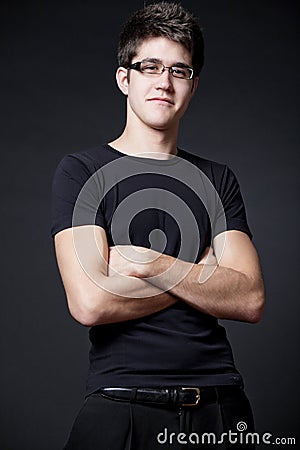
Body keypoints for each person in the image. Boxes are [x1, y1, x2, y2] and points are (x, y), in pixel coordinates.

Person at [51, 2, 265, 449]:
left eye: (179, 70)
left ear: (193, 85)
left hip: (221, 405)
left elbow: (249, 298)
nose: (164, 82)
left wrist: (150, 263)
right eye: (150, 67)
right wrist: (200, 275)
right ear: (124, 78)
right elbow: (90, 303)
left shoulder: (217, 179)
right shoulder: (82, 171)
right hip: (122, 403)